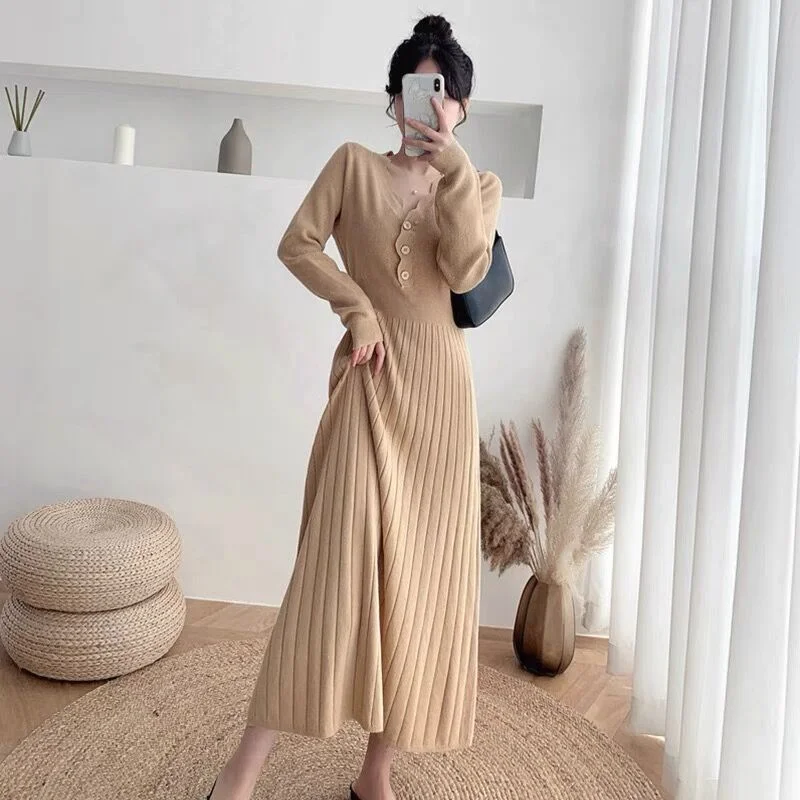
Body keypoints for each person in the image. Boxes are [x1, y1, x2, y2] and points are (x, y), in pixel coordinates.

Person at [207, 14, 502, 800]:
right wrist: (357, 308)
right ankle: (240, 773)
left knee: (417, 585)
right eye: (415, 87)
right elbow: (298, 244)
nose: (428, 104)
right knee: (328, 574)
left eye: (443, 92)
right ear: (394, 98)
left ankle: (375, 775)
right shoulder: (351, 166)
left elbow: (466, 271)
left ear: (462, 106)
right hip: (372, 385)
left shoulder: (479, 187)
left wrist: (455, 170)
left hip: (440, 400)